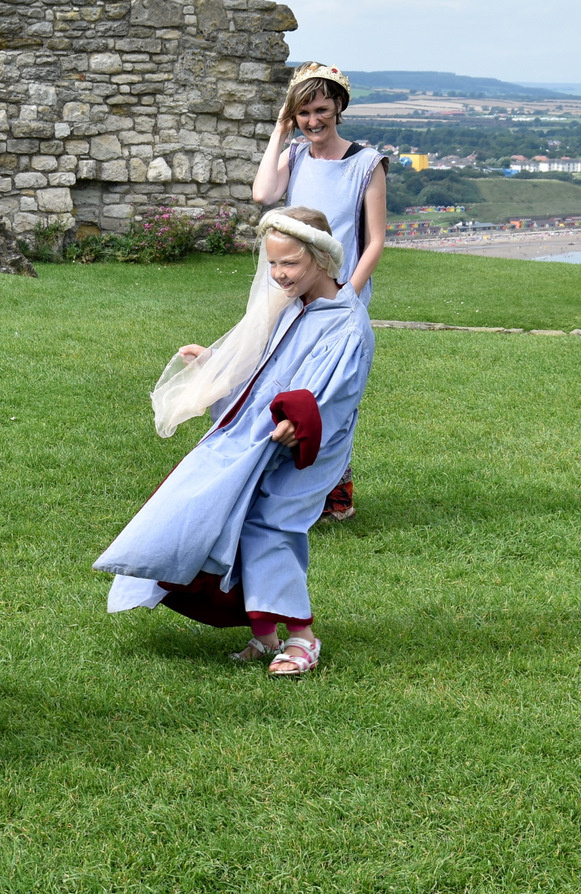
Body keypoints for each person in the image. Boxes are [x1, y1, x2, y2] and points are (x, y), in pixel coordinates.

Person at [94, 207, 374, 676]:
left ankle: (302, 638)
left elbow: (333, 392)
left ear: (323, 260)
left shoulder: (345, 324)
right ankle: (264, 637)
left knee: (272, 525)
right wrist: (214, 365)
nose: (280, 275)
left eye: (291, 264)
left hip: (303, 449)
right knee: (236, 521)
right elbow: (262, 368)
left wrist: (299, 420)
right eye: (273, 264)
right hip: (259, 435)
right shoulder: (293, 308)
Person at [251, 61, 387, 522]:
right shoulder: (297, 157)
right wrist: (279, 129)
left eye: (322, 109)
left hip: (342, 296)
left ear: (339, 108)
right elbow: (263, 194)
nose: (314, 120)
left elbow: (375, 240)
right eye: (303, 112)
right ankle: (284, 481)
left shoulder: (366, 164)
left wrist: (346, 293)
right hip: (292, 292)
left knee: (333, 392)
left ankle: (336, 487)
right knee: (288, 383)